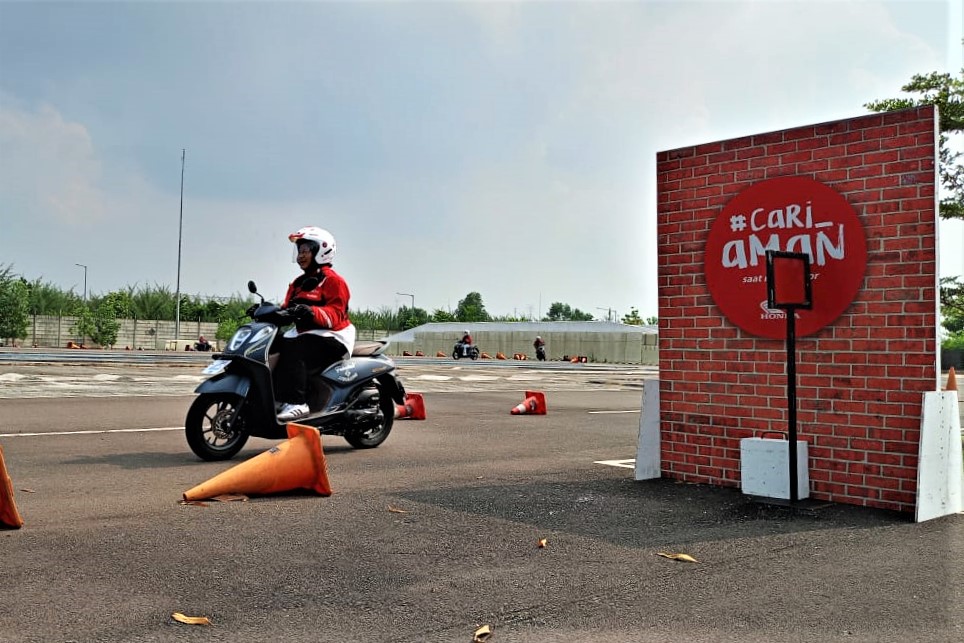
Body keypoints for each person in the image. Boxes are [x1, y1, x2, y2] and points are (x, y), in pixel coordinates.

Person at [273, 226, 356, 421]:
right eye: (298, 251)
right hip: (306, 335)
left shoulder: (334, 281)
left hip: (334, 337)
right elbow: (286, 308)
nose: (300, 256)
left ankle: (297, 403)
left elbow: (336, 315)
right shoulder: (298, 283)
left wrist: (312, 312)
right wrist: (267, 312)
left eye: (305, 251)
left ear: (321, 250)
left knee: (296, 349)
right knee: (273, 345)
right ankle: (277, 396)